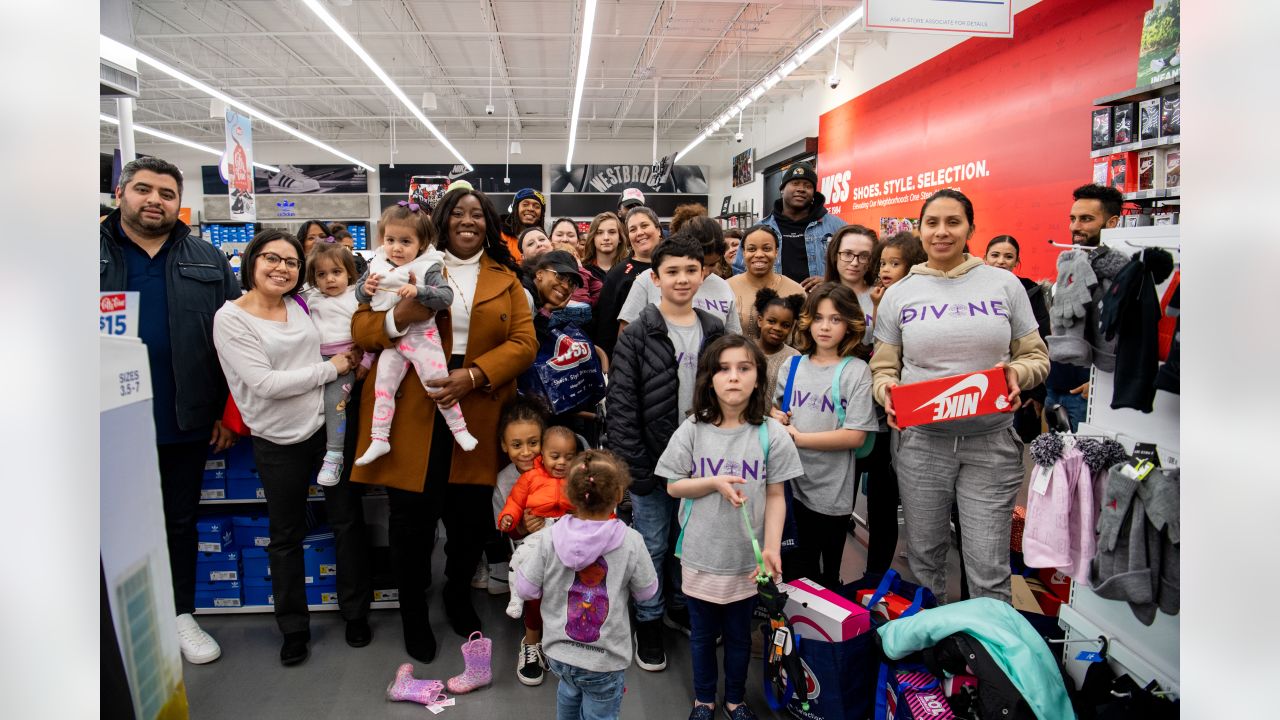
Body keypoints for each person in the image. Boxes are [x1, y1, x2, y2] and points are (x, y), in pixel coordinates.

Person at [350, 186, 538, 662]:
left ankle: (457, 596)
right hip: (411, 407)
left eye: (478, 214)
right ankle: (414, 613)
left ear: (489, 224)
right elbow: (361, 327)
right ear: (442, 220)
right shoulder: (401, 262)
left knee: (468, 519)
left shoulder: (507, 279)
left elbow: (524, 343)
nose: (468, 221)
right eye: (459, 213)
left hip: (476, 406)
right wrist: (397, 319)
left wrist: (474, 375)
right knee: (410, 522)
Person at [869, 189, 1049, 603]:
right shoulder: (900, 294)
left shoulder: (1004, 285)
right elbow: (884, 367)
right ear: (920, 229)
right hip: (923, 445)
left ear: (970, 228)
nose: (942, 232)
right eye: (932, 223)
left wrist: (1015, 374)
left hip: (991, 443)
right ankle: (932, 654)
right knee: (924, 559)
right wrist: (886, 393)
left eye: (953, 222)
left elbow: (1036, 357)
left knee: (988, 567)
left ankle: (986, 661)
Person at [100, 156, 241, 665]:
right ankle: (110, 621)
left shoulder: (207, 258)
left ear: (178, 202)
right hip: (101, 421)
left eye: (165, 192)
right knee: (101, 521)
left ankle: (180, 614)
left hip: (184, 418)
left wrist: (228, 412)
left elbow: (237, 341)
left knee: (177, 520)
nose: (154, 200)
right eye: (143, 189)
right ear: (121, 194)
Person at [212, 229, 372, 666]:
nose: (281, 267)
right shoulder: (231, 318)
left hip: (328, 429)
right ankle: (293, 629)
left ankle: (356, 613)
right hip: (278, 439)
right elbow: (264, 385)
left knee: (347, 521)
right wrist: (331, 368)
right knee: (285, 534)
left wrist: (348, 361)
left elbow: (339, 335)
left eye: (290, 261)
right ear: (251, 262)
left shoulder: (300, 304)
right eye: (271, 258)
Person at [657, 334, 802, 720]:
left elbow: (775, 496)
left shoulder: (772, 435)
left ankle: (735, 700)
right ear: (709, 378)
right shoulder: (692, 429)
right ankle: (703, 700)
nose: (733, 377)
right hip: (701, 556)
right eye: (723, 369)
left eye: (744, 368)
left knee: (739, 637)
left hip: (746, 563)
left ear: (758, 378)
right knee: (703, 637)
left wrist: (771, 548)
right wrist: (713, 483)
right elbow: (673, 485)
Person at [605, 234, 726, 672]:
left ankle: (678, 606)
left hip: (700, 464)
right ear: (654, 278)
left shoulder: (714, 329)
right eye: (671, 271)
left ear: (704, 274)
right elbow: (621, 408)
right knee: (653, 545)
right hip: (651, 464)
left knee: (687, 544)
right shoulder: (637, 334)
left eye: (690, 270)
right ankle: (649, 619)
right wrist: (635, 468)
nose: (682, 279)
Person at [514, 449, 658, 720]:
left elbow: (526, 589)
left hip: (559, 654)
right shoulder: (631, 541)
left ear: (568, 494)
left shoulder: (550, 538)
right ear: (618, 495)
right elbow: (647, 592)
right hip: (604, 660)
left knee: (568, 694)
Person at [770, 284, 878, 589]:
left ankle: (829, 635)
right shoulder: (791, 366)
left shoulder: (856, 371)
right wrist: (774, 417)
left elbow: (855, 436)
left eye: (835, 319)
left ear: (850, 324)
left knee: (828, 576)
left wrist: (799, 438)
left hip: (831, 493)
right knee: (793, 570)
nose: (825, 327)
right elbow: (778, 414)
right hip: (789, 487)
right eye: (818, 318)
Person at [354, 202, 477, 465]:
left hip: (422, 338)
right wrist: (367, 288)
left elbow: (445, 296)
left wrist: (418, 292)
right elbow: (359, 293)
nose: (396, 247)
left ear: (421, 244)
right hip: (391, 343)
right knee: (383, 388)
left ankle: (460, 429)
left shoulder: (428, 266)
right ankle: (379, 438)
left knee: (438, 385)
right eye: (390, 240)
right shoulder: (377, 262)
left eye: (405, 241)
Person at [1045, 183, 1125, 431]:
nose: (1075, 226)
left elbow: (1124, 340)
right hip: (1056, 387)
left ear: (1111, 223)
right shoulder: (1073, 263)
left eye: (1086, 219)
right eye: (1073, 219)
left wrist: (1100, 385)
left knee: (1083, 466)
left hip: (1089, 394)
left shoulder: (1122, 273)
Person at [490, 397, 553, 682]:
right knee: (533, 582)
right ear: (504, 446)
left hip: (567, 546)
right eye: (517, 445)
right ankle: (531, 643)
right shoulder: (504, 481)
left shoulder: (559, 468)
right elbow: (507, 532)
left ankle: (568, 641)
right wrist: (523, 528)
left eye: (533, 442)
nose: (526, 452)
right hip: (529, 551)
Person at [301, 240, 371, 486]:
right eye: (322, 274)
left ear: (350, 274)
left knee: (334, 403)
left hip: (346, 361)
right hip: (318, 360)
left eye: (336, 272)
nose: (329, 279)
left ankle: (334, 455)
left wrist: (366, 361)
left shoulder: (356, 299)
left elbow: (371, 334)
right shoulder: (312, 299)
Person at [617, 215, 742, 335]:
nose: (705, 272)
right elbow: (627, 334)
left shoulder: (723, 287)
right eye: (699, 265)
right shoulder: (647, 280)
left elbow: (733, 338)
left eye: (712, 264)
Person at [736, 162, 845, 290]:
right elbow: (739, 268)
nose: (801, 189)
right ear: (782, 189)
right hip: (772, 304)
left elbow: (854, 268)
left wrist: (831, 281)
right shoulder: (761, 229)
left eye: (808, 186)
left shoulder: (837, 227)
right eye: (795, 183)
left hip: (820, 303)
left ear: (814, 193)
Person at [984, 235, 1052, 439]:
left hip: (1018, 385)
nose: (1001, 261)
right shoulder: (971, 291)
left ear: (1017, 262)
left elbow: (1040, 341)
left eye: (1008, 256)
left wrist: (1036, 392)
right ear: (985, 258)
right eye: (995, 255)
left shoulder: (1030, 291)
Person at [594, 206, 661, 355]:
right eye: (633, 229)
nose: (640, 233)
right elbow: (605, 327)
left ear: (658, 230)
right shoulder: (617, 274)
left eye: (644, 225)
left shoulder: (674, 266)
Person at [726, 225, 806, 340]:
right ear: (743, 252)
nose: (759, 255)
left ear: (776, 252)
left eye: (766, 248)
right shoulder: (727, 288)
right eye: (752, 249)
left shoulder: (796, 291)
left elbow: (802, 339)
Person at [824, 225, 879, 341]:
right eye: (847, 254)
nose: (855, 263)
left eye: (864, 256)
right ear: (834, 255)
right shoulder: (819, 296)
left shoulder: (880, 296)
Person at [752, 288, 803, 409]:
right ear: (760, 320)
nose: (777, 328)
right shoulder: (743, 349)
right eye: (771, 321)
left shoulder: (794, 358)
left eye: (785, 325)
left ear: (791, 328)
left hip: (779, 423)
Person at [502, 188, 547, 262]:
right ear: (516, 208)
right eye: (525, 204)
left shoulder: (545, 242)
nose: (531, 209)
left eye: (537, 206)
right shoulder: (498, 237)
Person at [583, 212, 628, 282]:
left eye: (612, 232)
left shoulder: (629, 267)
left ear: (620, 238)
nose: (606, 238)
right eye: (599, 233)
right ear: (592, 238)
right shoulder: (583, 269)